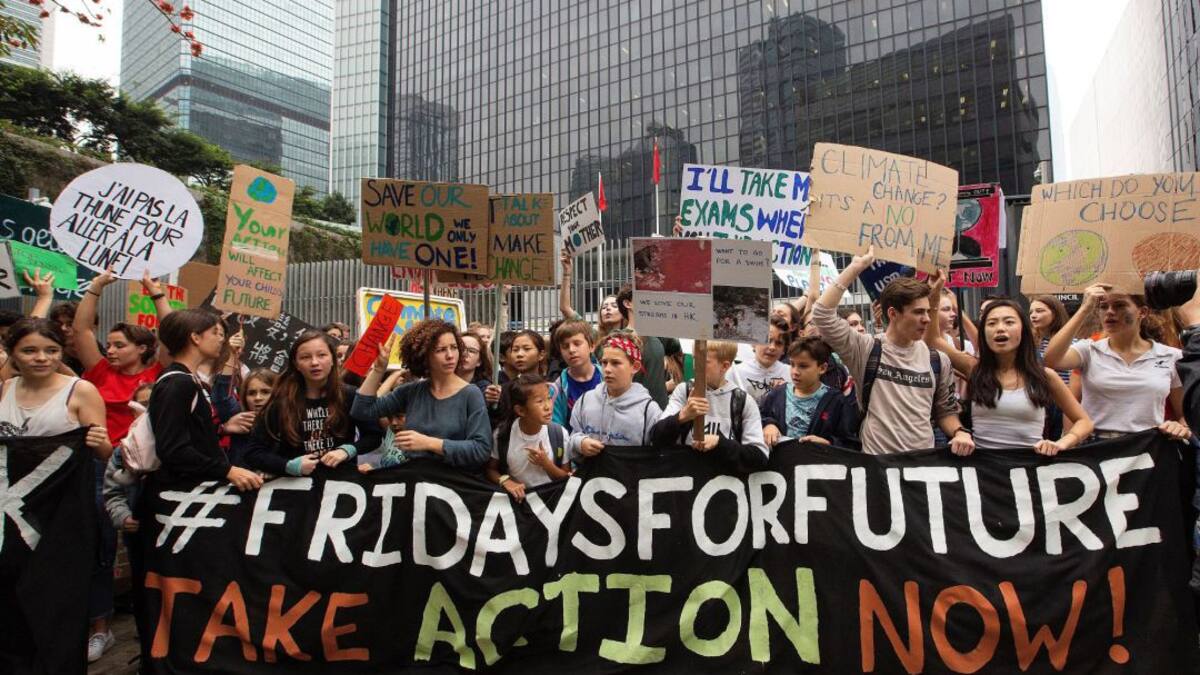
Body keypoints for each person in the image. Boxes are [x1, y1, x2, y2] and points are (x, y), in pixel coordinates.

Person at [0, 318, 115, 662]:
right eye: (30, 350)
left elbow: (106, 453)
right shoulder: (4, 389)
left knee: (55, 595)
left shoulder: (80, 391)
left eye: (51, 350)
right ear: (14, 354)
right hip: (8, 522)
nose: (41, 358)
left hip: (61, 519)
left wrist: (98, 442)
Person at [811, 246, 972, 455]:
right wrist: (857, 266)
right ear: (893, 313)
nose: (927, 318)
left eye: (927, 311)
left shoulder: (938, 360)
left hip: (922, 471)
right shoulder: (866, 349)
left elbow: (945, 412)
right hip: (878, 470)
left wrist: (960, 432)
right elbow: (822, 314)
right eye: (918, 312)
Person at [925, 276, 1093, 453]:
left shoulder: (1045, 376)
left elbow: (1084, 422)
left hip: (1030, 471)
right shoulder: (973, 368)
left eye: (1009, 322)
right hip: (985, 472)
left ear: (1023, 330)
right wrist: (935, 294)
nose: (1000, 328)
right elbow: (933, 340)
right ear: (983, 334)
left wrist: (1061, 443)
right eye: (991, 323)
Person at [1044, 284, 1190, 441]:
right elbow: (1052, 359)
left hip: (1147, 447)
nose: (1110, 312)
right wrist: (1085, 309)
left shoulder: (1171, 356)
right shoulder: (1089, 350)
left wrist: (1182, 428)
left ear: (1143, 312)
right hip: (1097, 447)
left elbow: (1185, 413)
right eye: (1103, 306)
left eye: (1120, 305)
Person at [350, 320, 491, 469]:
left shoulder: (471, 393)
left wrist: (430, 443)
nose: (450, 355)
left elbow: (481, 450)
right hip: (415, 483)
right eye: (440, 350)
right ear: (424, 355)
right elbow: (361, 411)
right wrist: (378, 370)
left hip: (453, 485)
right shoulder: (411, 391)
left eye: (454, 347)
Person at [147, 309, 263, 490]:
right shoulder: (177, 383)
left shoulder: (189, 380)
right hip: (178, 494)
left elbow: (193, 433)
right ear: (195, 338)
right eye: (215, 333)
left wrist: (221, 428)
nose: (222, 339)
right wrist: (228, 470)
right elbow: (173, 449)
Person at [245, 330, 381, 477]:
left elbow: (374, 436)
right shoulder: (281, 400)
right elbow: (253, 452)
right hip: (295, 489)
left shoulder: (349, 395)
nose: (315, 362)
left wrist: (347, 451)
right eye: (305, 357)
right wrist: (288, 466)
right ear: (296, 364)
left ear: (332, 360)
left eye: (321, 355)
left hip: (340, 484)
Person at [74, 270, 171, 449]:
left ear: (142, 349)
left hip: (147, 460)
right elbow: (81, 330)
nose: (110, 351)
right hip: (103, 458)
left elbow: (171, 332)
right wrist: (95, 286)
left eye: (119, 346)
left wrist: (156, 292)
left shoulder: (160, 373)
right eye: (108, 345)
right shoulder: (100, 371)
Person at [651, 340, 769, 472]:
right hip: (686, 478)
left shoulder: (743, 401)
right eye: (695, 358)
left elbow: (759, 457)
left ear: (724, 366)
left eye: (704, 361)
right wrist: (682, 416)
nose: (695, 366)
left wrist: (720, 443)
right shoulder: (684, 391)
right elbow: (656, 437)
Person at [568, 332, 663, 460]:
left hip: (630, 478)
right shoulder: (586, 400)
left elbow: (657, 454)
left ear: (635, 367)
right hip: (591, 478)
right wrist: (580, 443)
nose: (607, 369)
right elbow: (572, 438)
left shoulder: (648, 410)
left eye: (615, 363)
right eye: (604, 362)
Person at [486, 373, 572, 502]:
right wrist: (506, 481)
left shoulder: (559, 434)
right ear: (521, 411)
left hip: (550, 503)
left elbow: (566, 477)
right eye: (540, 401)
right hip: (518, 503)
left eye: (548, 398)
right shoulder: (503, 434)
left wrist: (546, 464)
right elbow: (490, 469)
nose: (548, 406)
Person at [760, 337, 857, 448]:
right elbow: (759, 417)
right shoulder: (777, 394)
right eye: (792, 364)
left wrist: (828, 444)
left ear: (822, 368)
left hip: (818, 462)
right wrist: (769, 424)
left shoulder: (836, 401)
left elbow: (850, 443)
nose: (795, 372)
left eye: (803, 366)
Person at [615, 284, 668, 407]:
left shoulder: (659, 336)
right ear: (628, 304)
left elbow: (682, 356)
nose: (649, 301)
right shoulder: (617, 340)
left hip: (662, 414)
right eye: (642, 297)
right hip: (633, 413)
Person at [559, 251, 624, 342]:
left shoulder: (633, 335)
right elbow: (565, 308)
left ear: (624, 312)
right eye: (604, 307)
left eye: (614, 306)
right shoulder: (594, 336)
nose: (608, 309)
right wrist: (566, 273)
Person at [551, 319, 602, 432]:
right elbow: (557, 428)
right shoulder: (556, 389)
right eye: (565, 346)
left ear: (592, 346)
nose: (571, 350)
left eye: (577, 344)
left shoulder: (607, 378)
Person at [729, 315, 791, 405]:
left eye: (779, 343)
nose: (772, 347)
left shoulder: (791, 374)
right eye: (768, 340)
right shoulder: (735, 372)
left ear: (784, 349)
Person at [457, 329, 493, 395]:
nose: (464, 354)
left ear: (479, 361)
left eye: (471, 351)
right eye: (461, 349)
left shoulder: (486, 390)